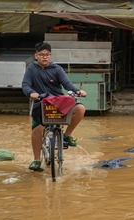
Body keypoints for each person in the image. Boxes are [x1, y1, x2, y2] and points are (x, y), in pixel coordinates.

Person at [22, 42, 87, 172]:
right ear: (36, 56)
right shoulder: (31, 69)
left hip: (59, 102)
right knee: (37, 129)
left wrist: (77, 91)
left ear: (50, 56)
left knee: (80, 109)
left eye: (47, 55)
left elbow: (67, 84)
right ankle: (36, 160)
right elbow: (25, 85)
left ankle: (67, 135)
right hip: (41, 103)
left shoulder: (57, 69)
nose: (44, 57)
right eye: (41, 55)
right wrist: (31, 93)